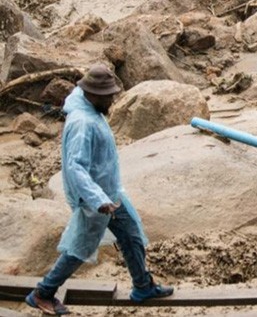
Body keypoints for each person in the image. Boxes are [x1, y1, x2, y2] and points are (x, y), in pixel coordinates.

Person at [26, 65, 173, 315]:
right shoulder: (82, 123)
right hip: (94, 198)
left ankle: (142, 286)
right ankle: (43, 293)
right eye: (109, 96)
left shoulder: (89, 108)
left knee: (132, 235)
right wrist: (97, 200)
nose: (112, 100)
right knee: (79, 248)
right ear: (93, 94)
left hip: (110, 192)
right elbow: (75, 167)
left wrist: (107, 195)